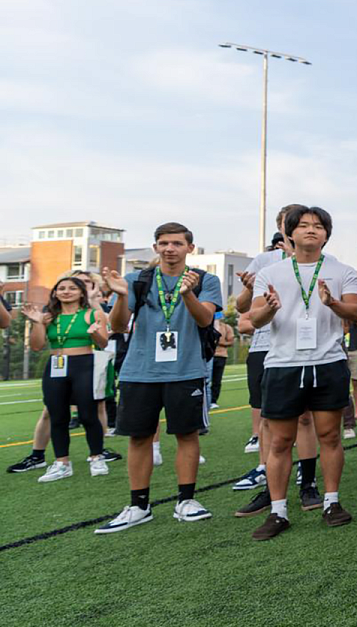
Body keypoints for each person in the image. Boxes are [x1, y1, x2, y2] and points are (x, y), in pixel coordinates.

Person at [95, 223, 223, 533]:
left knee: (187, 435)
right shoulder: (136, 280)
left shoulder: (205, 279)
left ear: (189, 248)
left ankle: (186, 500)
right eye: (164, 243)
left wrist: (187, 293)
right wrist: (122, 297)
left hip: (186, 370)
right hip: (140, 371)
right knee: (139, 437)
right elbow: (119, 326)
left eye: (177, 243)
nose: (170, 248)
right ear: (155, 247)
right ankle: (139, 505)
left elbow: (205, 319)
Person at [245, 206, 357, 540]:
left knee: (330, 436)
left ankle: (332, 502)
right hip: (283, 364)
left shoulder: (342, 271)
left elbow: (355, 311)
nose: (312, 230)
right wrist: (267, 309)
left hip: (327, 362)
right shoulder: (272, 273)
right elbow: (254, 319)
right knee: (280, 441)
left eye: (318, 226)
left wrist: (332, 303)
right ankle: (278, 511)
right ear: (290, 233)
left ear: (326, 234)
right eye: (304, 225)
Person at [232, 206, 324, 515]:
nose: (297, 228)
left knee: (306, 417)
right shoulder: (264, 260)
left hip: (303, 347)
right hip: (265, 348)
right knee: (267, 419)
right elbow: (242, 308)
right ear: (282, 226)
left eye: (305, 223)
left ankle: (308, 482)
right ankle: (269, 485)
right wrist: (248, 288)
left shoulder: (318, 259)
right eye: (290, 223)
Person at [23, 276, 110, 481]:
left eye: (72, 288)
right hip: (56, 367)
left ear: (81, 292)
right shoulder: (48, 316)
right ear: (55, 293)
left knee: (88, 414)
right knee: (58, 416)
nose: (66, 291)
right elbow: (36, 346)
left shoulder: (93, 314)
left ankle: (97, 457)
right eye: (61, 288)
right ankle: (62, 463)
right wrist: (37, 323)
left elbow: (103, 343)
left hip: (85, 365)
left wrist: (95, 334)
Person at [210, 313, 233, 410]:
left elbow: (231, 341)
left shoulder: (226, 327)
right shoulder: (208, 325)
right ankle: (204, 400)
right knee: (205, 380)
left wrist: (220, 342)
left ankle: (213, 400)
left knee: (217, 380)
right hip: (209, 356)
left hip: (221, 356)